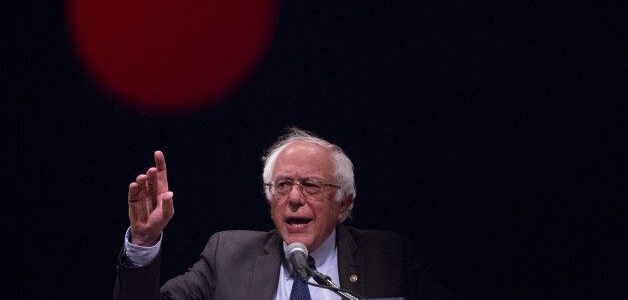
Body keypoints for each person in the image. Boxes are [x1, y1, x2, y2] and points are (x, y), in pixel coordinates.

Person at [113, 128, 456, 299]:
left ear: (344, 203)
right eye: (282, 186)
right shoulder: (227, 254)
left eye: (311, 185)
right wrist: (144, 241)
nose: (294, 198)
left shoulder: (388, 256)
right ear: (269, 198)